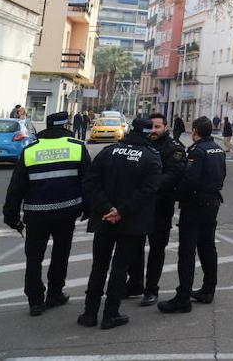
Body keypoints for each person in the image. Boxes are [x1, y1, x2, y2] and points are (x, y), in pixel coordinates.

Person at [2, 111, 91, 316]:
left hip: (36, 214)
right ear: (65, 125)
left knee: (34, 257)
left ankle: (35, 301)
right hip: (66, 211)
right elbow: (88, 182)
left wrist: (11, 215)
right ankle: (54, 294)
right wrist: (89, 208)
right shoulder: (76, 147)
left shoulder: (31, 150)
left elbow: (16, 187)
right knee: (61, 254)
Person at [79, 118, 160, 329]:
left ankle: (89, 313)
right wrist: (121, 211)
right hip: (131, 223)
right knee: (120, 267)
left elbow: (90, 182)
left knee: (99, 266)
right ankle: (110, 314)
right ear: (148, 134)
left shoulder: (108, 151)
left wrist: (106, 208)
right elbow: (147, 191)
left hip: (104, 220)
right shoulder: (151, 158)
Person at [159, 117, 226, 314]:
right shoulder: (218, 149)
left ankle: (183, 298)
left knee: (187, 252)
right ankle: (208, 289)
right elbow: (222, 174)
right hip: (212, 203)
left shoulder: (197, 152)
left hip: (195, 205)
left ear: (195, 131)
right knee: (207, 248)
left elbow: (191, 180)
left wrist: (175, 194)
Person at [124, 113, 186, 306]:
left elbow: (174, 174)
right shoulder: (139, 144)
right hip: (138, 206)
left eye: (157, 127)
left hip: (160, 206)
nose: (153, 131)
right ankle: (135, 283)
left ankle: (151, 289)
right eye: (151, 127)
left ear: (165, 128)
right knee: (134, 246)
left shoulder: (174, 149)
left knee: (156, 249)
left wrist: (149, 188)